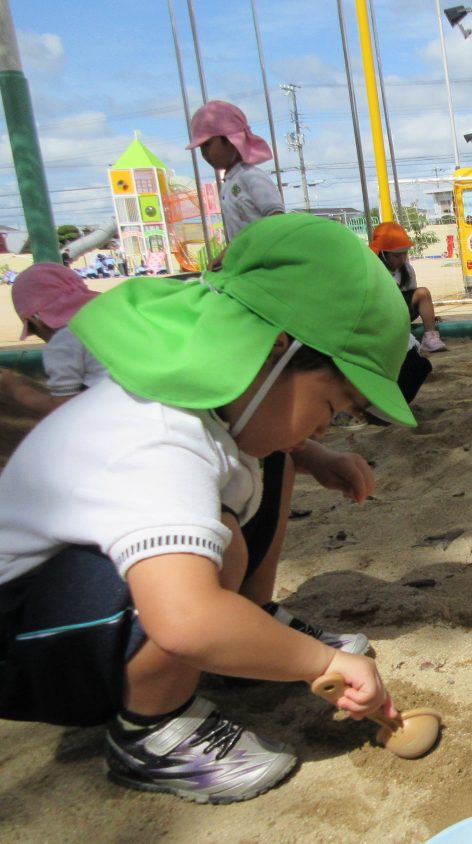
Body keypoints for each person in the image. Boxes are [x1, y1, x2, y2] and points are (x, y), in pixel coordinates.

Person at [0, 214, 413, 804]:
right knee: (208, 545)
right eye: (332, 404)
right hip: (27, 644)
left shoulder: (204, 401)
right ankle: (149, 732)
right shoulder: (157, 439)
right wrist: (319, 662)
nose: (329, 423)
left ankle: (246, 632)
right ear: (276, 349)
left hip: (70, 607)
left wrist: (313, 454)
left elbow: (268, 438)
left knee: (274, 454)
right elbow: (186, 618)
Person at [0, 262, 107, 417]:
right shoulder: (115, 317)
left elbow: (63, 409)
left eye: (33, 330)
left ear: (36, 321)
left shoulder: (63, 342)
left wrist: (16, 388)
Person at [186, 100, 284, 242]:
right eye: (201, 148)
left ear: (232, 141)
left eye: (207, 145)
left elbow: (277, 218)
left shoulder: (252, 177)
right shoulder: (227, 184)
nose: (205, 153)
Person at [369, 221, 447, 354]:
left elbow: (411, 292)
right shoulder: (373, 270)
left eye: (404, 254)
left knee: (423, 293)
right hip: (381, 313)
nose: (402, 259)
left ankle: (430, 337)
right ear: (383, 254)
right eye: (397, 255)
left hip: (402, 309)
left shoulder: (406, 270)